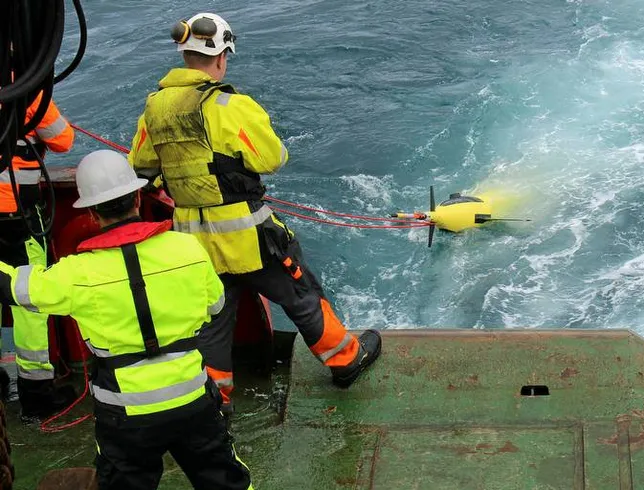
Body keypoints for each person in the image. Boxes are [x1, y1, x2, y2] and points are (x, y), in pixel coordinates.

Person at [128, 12, 381, 413]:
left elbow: (141, 167)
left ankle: (216, 399)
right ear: (222, 56)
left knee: (212, 320)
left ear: (184, 54)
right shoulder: (231, 105)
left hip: (192, 244)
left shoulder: (154, 110)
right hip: (248, 237)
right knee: (299, 294)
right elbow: (271, 157)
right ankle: (345, 360)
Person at [0, 149, 253, 490]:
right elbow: (216, 305)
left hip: (125, 415)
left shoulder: (77, 273)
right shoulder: (187, 248)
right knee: (227, 480)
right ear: (137, 195)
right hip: (193, 400)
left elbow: (16, 289)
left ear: (91, 211)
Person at [0, 88, 76, 418]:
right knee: (29, 298)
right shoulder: (25, 88)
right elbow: (63, 139)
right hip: (15, 216)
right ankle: (36, 393)